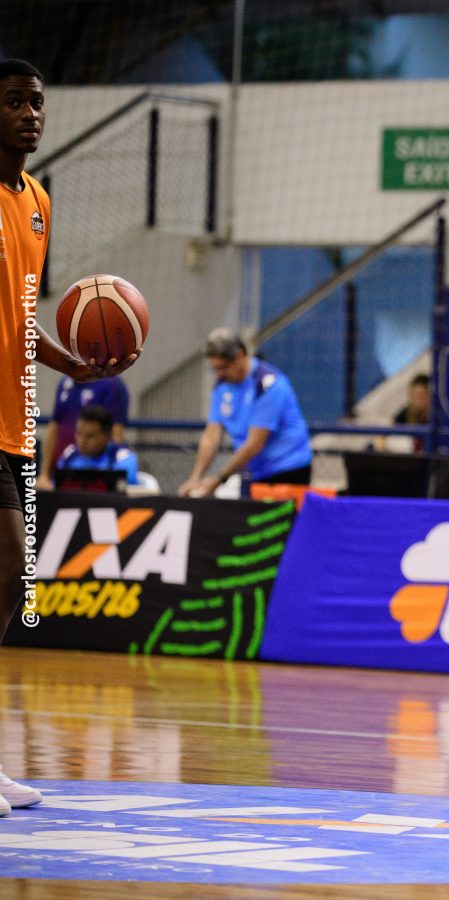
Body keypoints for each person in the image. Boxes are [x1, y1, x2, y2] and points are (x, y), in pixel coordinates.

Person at [0, 58, 138, 816]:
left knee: (9, 586)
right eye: (14, 102)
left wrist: (76, 363)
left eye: (37, 101)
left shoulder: (38, 202)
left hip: (10, 423)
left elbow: (21, 319)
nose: (30, 113)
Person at [178, 327, 313, 498]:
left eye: (223, 367)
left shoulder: (268, 385)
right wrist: (195, 478)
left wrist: (219, 479)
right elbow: (211, 435)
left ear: (240, 356)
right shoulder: (221, 386)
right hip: (254, 472)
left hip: (288, 470)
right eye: (215, 369)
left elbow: (254, 443)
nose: (219, 374)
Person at [36, 375, 129, 490]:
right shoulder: (65, 382)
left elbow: (116, 433)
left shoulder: (112, 384)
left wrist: (112, 467)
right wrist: (44, 474)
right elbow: (54, 426)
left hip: (98, 474)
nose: (82, 440)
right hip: (66, 468)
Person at [53, 404, 139, 487]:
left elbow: (126, 492)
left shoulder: (122, 458)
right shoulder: (69, 454)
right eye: (79, 433)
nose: (82, 441)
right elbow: (56, 487)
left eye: (90, 436)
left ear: (108, 436)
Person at [373, 373, 431, 453]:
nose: (415, 400)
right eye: (412, 396)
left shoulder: (437, 419)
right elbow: (386, 429)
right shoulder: (409, 410)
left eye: (419, 396)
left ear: (429, 396)